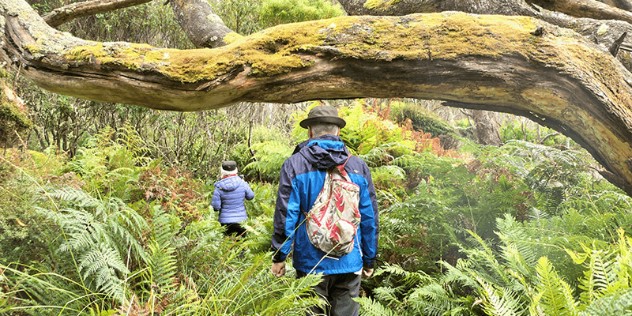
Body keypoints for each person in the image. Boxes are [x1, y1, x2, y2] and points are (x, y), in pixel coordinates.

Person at [270, 105, 379, 316]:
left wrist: (279, 256)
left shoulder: (294, 165)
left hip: (310, 261)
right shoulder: (358, 166)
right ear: (338, 131)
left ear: (310, 131)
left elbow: (286, 214)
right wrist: (369, 258)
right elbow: (369, 217)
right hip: (350, 259)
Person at [211, 160, 255, 237]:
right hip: (241, 220)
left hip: (225, 222)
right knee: (241, 245)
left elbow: (216, 207)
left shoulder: (219, 187)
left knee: (228, 245)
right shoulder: (242, 183)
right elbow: (250, 196)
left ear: (222, 172)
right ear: (236, 170)